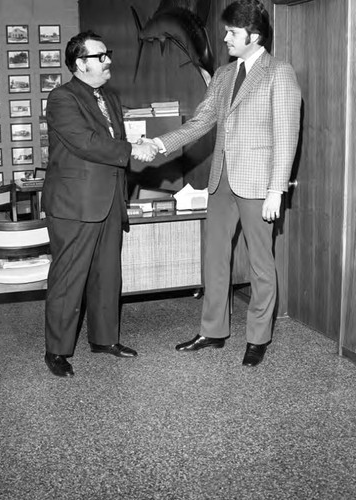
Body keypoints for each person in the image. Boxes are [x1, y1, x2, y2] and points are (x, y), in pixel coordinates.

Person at [145, 0, 301, 367]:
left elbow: (286, 136)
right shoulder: (222, 75)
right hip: (221, 181)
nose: (225, 37)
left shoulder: (279, 73)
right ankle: (212, 331)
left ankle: (258, 337)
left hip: (259, 185)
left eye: (232, 31)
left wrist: (276, 190)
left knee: (262, 263)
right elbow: (200, 122)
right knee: (215, 257)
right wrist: (159, 143)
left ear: (254, 35)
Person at [42, 30, 157, 377]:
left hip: (109, 200)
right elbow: (85, 142)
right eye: (100, 56)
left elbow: (114, 139)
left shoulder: (109, 96)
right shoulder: (62, 98)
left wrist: (137, 144)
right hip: (75, 204)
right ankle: (57, 350)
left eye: (107, 54)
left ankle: (104, 339)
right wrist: (131, 150)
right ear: (80, 63)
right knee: (69, 278)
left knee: (108, 274)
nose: (108, 61)